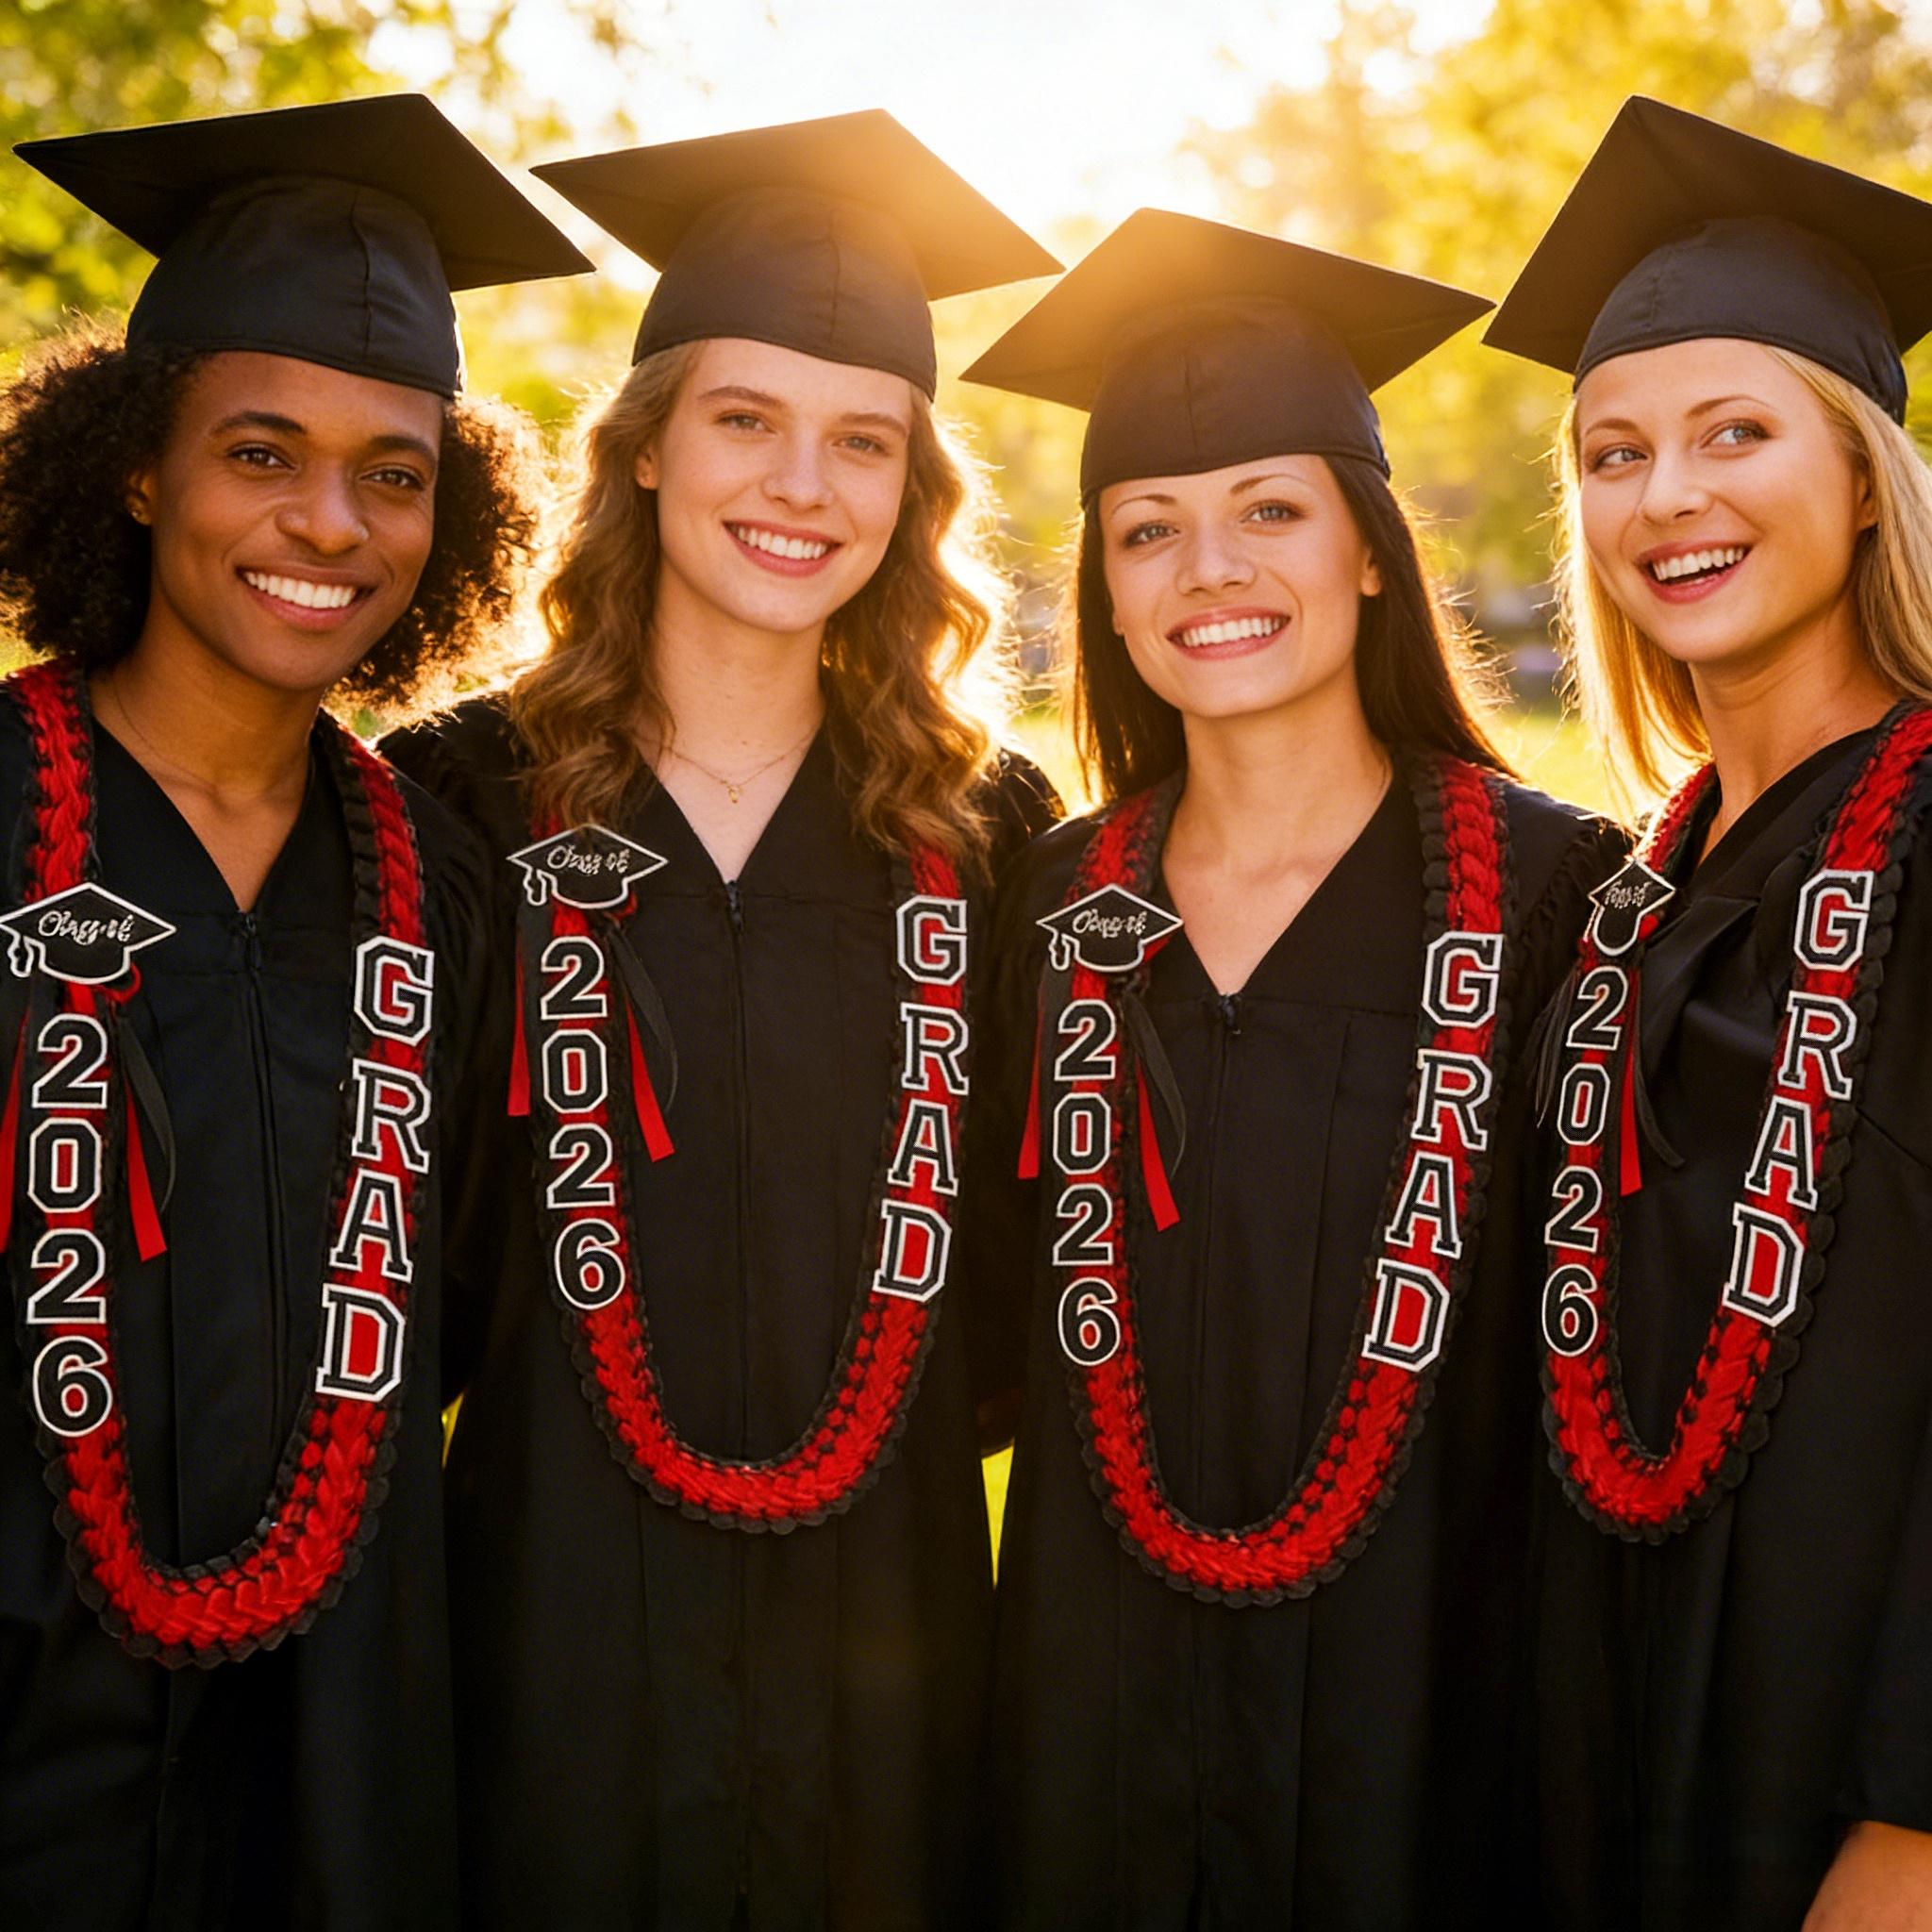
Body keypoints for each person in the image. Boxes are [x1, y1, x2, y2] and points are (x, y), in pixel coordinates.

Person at [382, 110, 1061, 1930]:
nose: (802, 484)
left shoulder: (992, 831)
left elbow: (1030, 1244)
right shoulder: (451, 803)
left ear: (913, 496)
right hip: (545, 1640)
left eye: (864, 441)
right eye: (747, 418)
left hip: (897, 1658)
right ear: (652, 451)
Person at [960, 208, 1622, 1928]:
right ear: (1104, 583)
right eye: (1149, 529)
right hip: (1085, 1747)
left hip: (1436, 1743)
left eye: (1272, 510)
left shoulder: (1564, 898)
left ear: (1372, 553)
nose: (1210, 571)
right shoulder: (1048, 909)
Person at [0, 96, 584, 1931]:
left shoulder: (447, 890)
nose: (328, 523)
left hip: (343, 1753)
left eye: (393, 472)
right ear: (139, 464)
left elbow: (471, 1304)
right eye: (262, 451)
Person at [1486, 95, 1932, 1930]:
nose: (1665, 499)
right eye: (1612, 452)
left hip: (1846, 1808)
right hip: (1605, 1762)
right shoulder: (1625, 895)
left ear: (1860, 471)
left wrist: (1909, 1841)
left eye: (1731, 433)